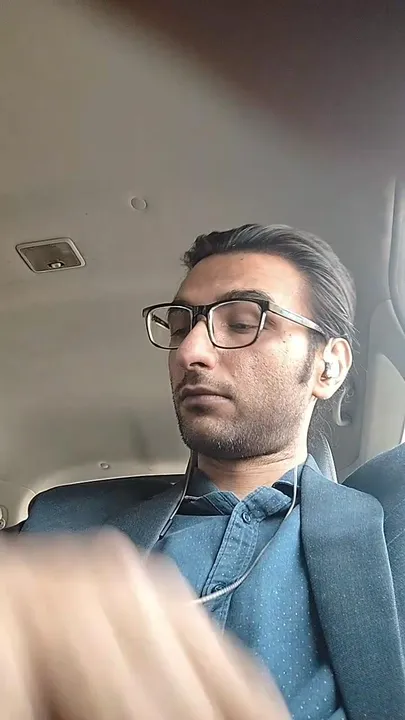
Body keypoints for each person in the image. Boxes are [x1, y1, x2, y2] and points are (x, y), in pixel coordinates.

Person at [2, 224, 405, 719]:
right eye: (179, 327)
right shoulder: (60, 525)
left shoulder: (388, 530)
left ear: (328, 367)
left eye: (243, 323)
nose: (189, 352)